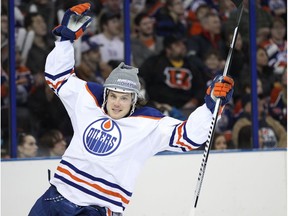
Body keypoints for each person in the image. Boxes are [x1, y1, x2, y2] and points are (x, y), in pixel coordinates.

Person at [28, 3, 234, 216]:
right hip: (56, 198)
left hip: (97, 210)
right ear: (106, 94)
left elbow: (189, 137)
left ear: (134, 100)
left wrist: (212, 106)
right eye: (113, 96)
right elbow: (57, 78)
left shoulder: (149, 123)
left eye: (124, 98)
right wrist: (65, 40)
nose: (117, 103)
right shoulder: (88, 99)